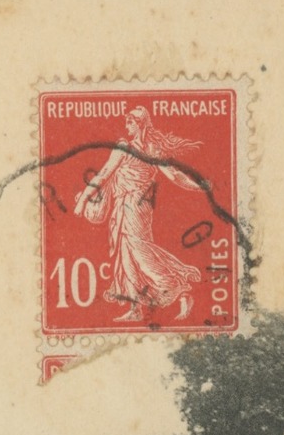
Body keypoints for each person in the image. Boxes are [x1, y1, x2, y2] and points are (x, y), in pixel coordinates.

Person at [72, 106, 204, 323]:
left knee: (141, 253)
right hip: (123, 207)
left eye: (130, 122)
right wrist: (85, 198)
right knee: (126, 257)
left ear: (140, 123)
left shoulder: (151, 149)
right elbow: (104, 174)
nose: (127, 126)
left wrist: (199, 187)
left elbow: (175, 176)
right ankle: (135, 309)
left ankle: (179, 289)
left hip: (137, 208)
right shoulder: (126, 147)